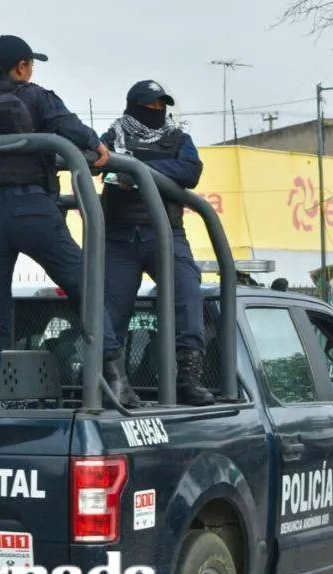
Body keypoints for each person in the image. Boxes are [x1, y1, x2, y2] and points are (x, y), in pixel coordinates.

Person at [0, 35, 120, 408]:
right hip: (35, 210)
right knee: (86, 288)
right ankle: (115, 379)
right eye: (30, 64)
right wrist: (99, 148)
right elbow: (68, 127)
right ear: (21, 67)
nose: (32, 70)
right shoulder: (36, 97)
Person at [99, 80, 213, 407]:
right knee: (110, 310)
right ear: (134, 106)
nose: (156, 111)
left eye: (161, 105)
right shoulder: (112, 136)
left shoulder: (180, 138)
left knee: (189, 293)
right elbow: (101, 163)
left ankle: (188, 379)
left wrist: (135, 167)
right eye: (150, 106)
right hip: (119, 237)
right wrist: (132, 168)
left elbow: (190, 171)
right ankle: (113, 381)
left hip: (165, 232)